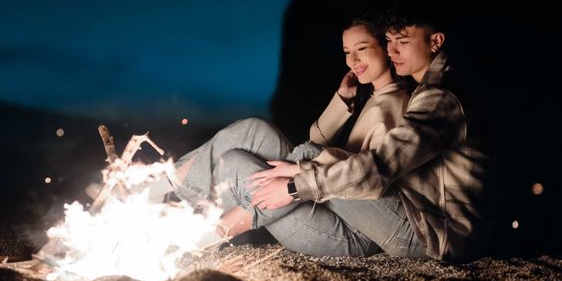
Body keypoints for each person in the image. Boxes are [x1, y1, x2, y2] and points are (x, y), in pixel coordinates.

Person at [249, 9, 495, 261]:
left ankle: (222, 224)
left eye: (404, 41)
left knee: (285, 159)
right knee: (264, 146)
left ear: (435, 42)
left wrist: (295, 185)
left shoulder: (440, 99)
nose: (392, 51)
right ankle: (223, 221)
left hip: (436, 237)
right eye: (389, 41)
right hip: (425, 223)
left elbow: (379, 167)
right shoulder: (428, 91)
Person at [151, 16, 412, 250]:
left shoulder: (396, 107)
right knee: (241, 152)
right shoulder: (374, 97)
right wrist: (343, 99)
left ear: (387, 49)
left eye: (362, 49)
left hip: (354, 233)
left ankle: (195, 232)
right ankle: (166, 191)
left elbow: (367, 181)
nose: (353, 61)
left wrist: (296, 176)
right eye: (347, 52)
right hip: (329, 200)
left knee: (253, 149)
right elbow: (317, 140)